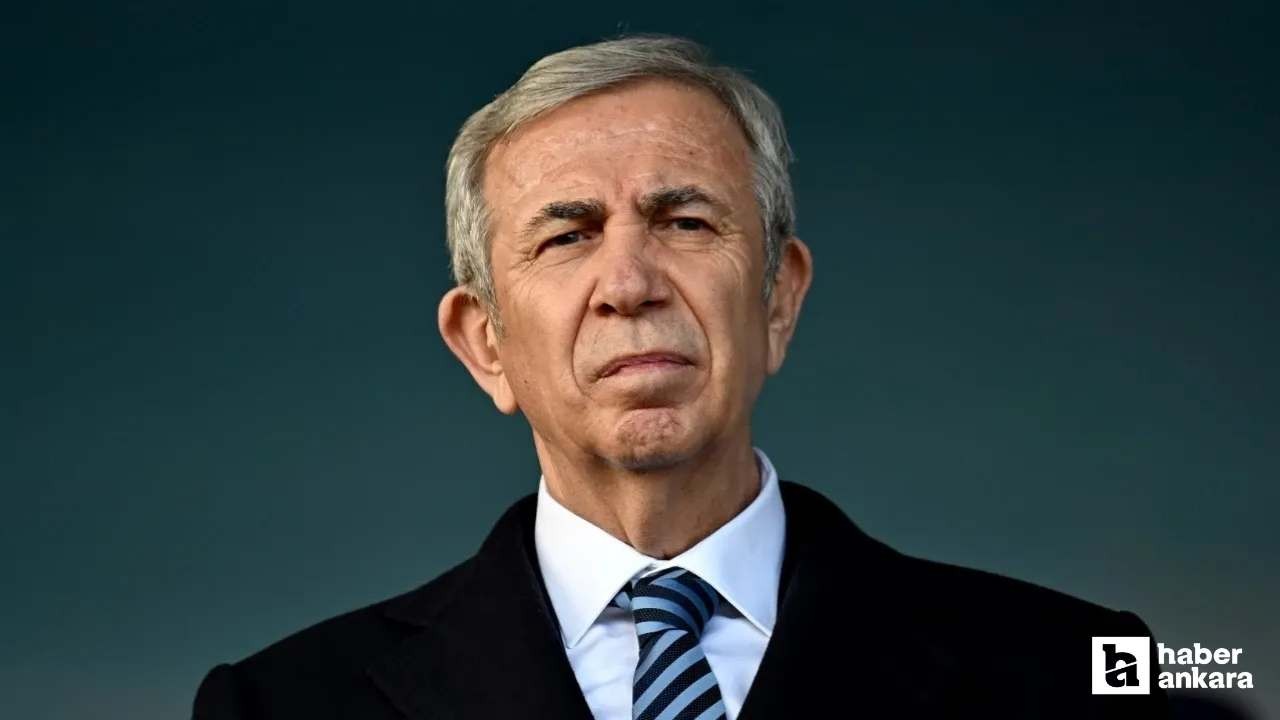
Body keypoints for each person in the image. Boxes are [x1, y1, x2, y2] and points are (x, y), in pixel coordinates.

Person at [193, 34, 1170, 719]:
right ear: (484, 343)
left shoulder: (1079, 674)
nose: (629, 283)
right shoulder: (278, 706)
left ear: (777, 299)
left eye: (686, 222)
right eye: (566, 236)